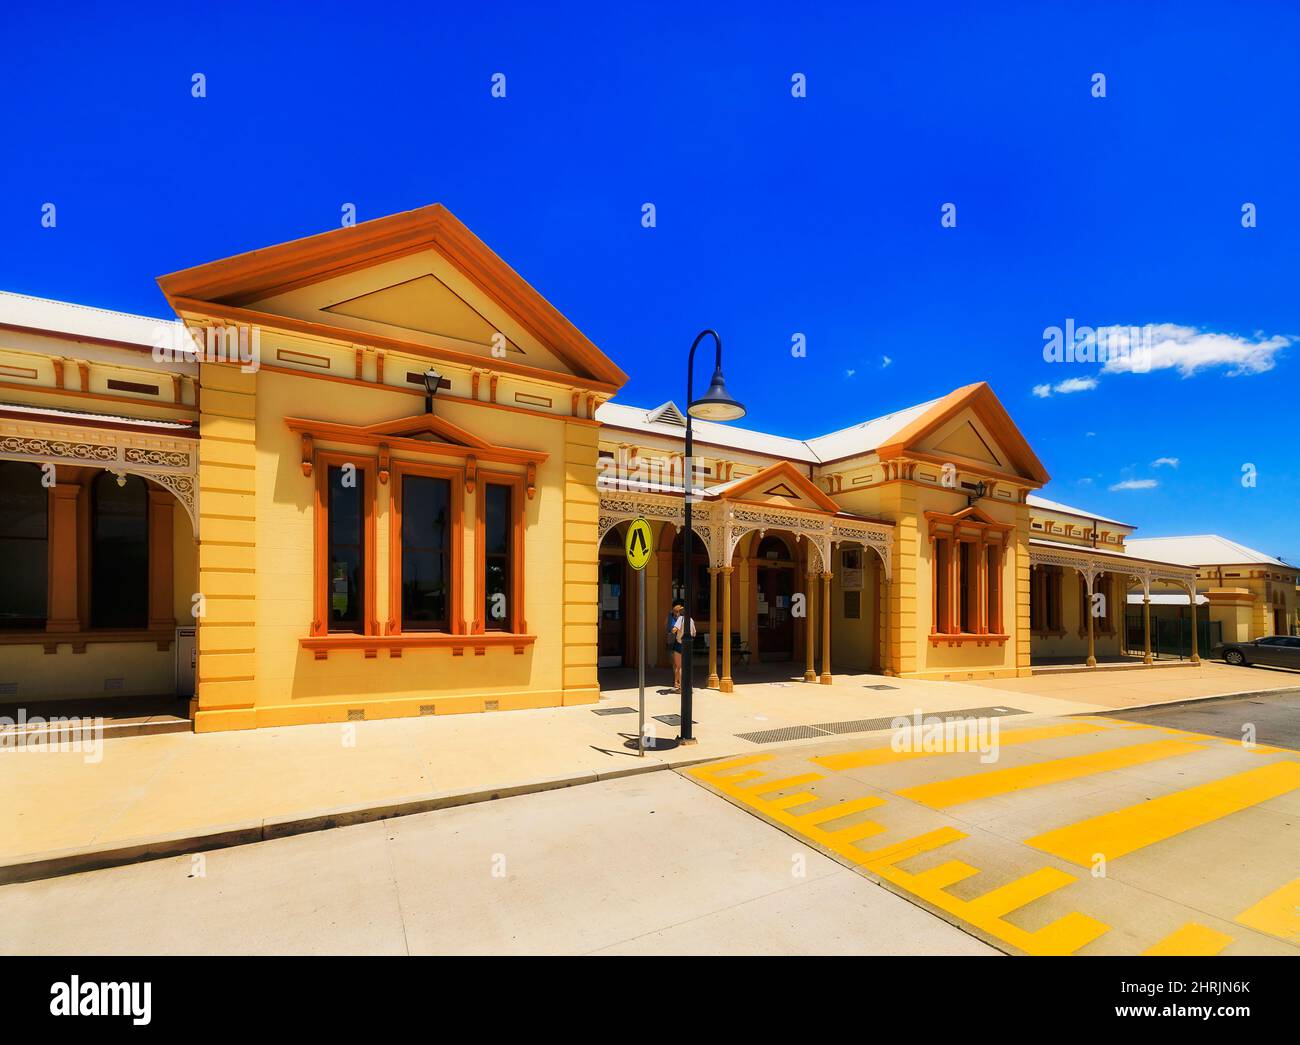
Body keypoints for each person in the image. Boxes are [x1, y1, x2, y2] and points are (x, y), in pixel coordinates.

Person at [669, 599, 696, 692]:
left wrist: (675, 630)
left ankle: (681, 687)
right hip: (688, 645)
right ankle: (688, 686)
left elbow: (674, 630)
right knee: (687, 666)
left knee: (679, 667)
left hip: (679, 644)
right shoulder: (691, 620)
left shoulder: (680, 619)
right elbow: (694, 633)